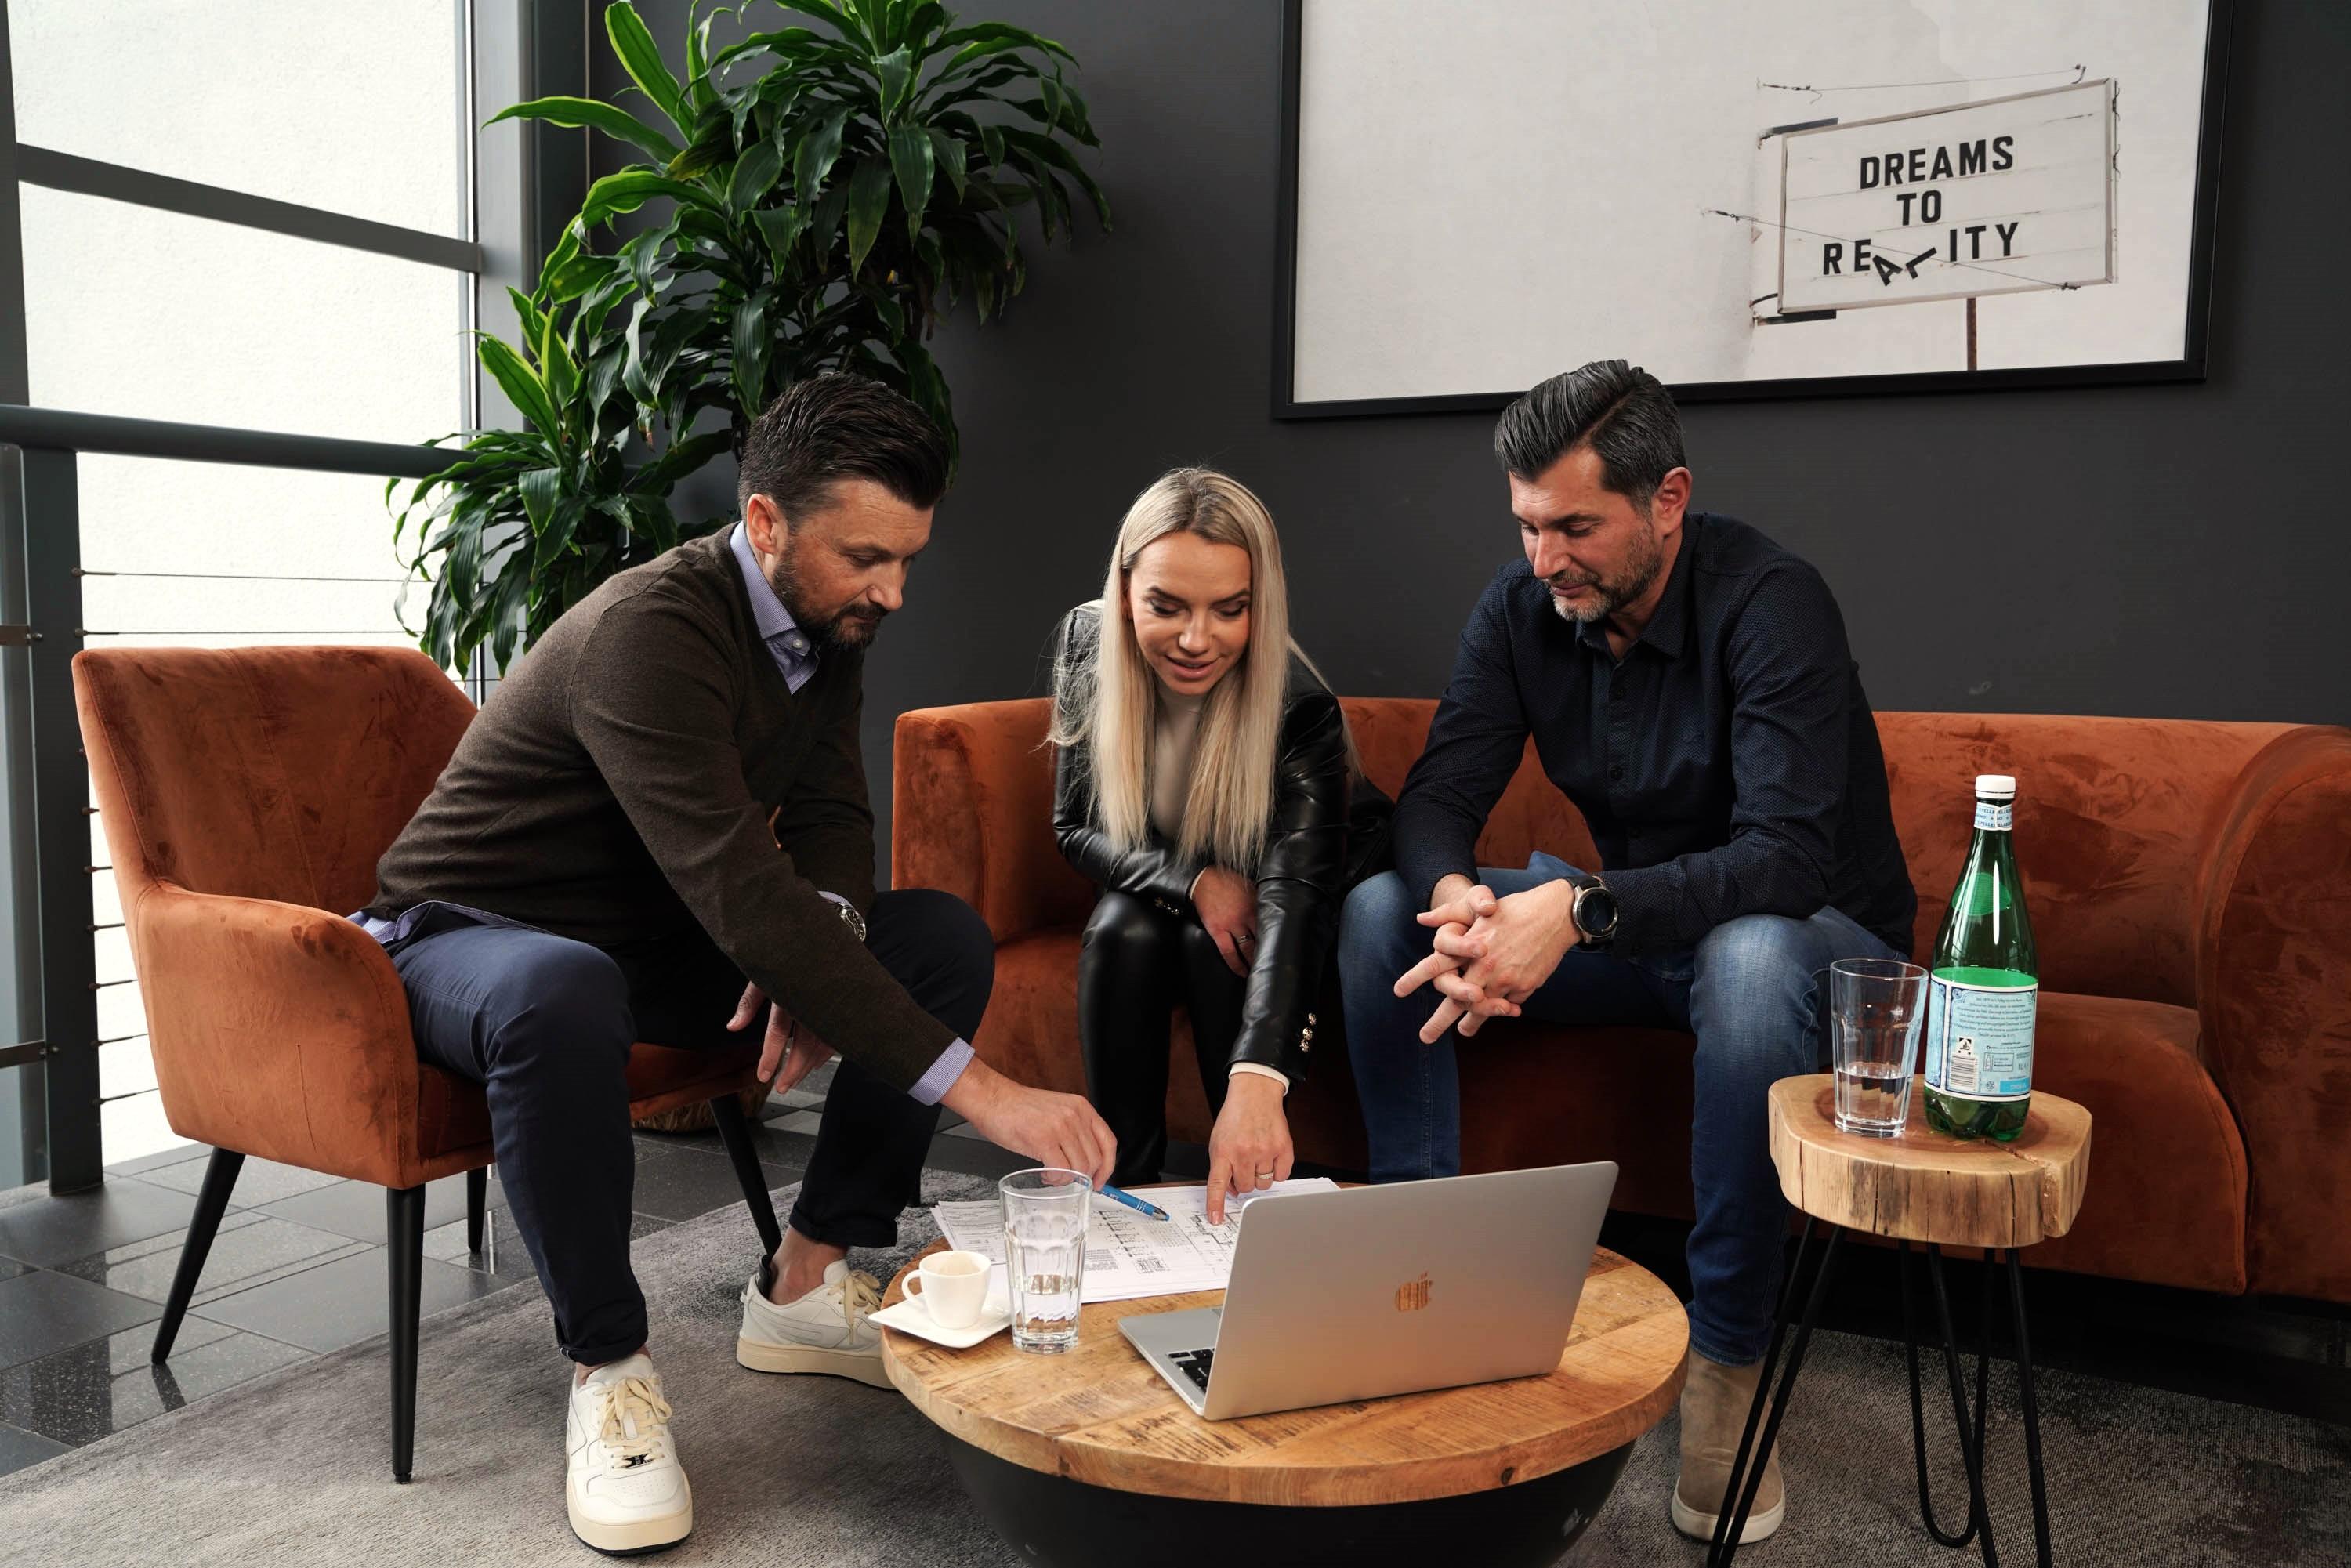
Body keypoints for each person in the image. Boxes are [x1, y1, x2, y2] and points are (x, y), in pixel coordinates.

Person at [356, 375, 1117, 1556]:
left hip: (648, 934)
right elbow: (737, 883)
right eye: (868, 557)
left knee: (936, 938)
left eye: (907, 559)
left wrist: (831, 943)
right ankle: (608, 1370)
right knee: (564, 985)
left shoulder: (825, 621)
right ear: (765, 522)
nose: (893, 590)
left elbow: (830, 821)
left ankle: (803, 1286)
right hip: (467, 936)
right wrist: (986, 1089)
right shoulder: (650, 633)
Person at [1335, 360, 1914, 1546]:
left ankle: (1729, 1365)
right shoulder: (1522, 608)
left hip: (1825, 959)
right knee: (1382, 909)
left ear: (1668, 500)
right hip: (1643, 935)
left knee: (1750, 957)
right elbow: (1440, 795)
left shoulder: (1774, 603)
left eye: (1576, 527)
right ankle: (1420, 1281)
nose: (1545, 558)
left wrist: (1577, 911)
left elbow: (1785, 861)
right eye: (1528, 526)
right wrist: (1457, 897)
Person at [1049, 469, 1390, 1223]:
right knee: (1121, 926)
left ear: (1258, 606)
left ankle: (1241, 1196)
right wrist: (1197, 880)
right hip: (1187, 876)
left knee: (1219, 943)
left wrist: (1258, 1080)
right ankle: (1121, 1193)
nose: (1196, 640)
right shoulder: (1086, 641)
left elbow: (1294, 903)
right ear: (1125, 592)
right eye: (1165, 606)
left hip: (1308, 886)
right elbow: (1074, 826)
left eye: (1229, 610)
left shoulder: (1302, 710)